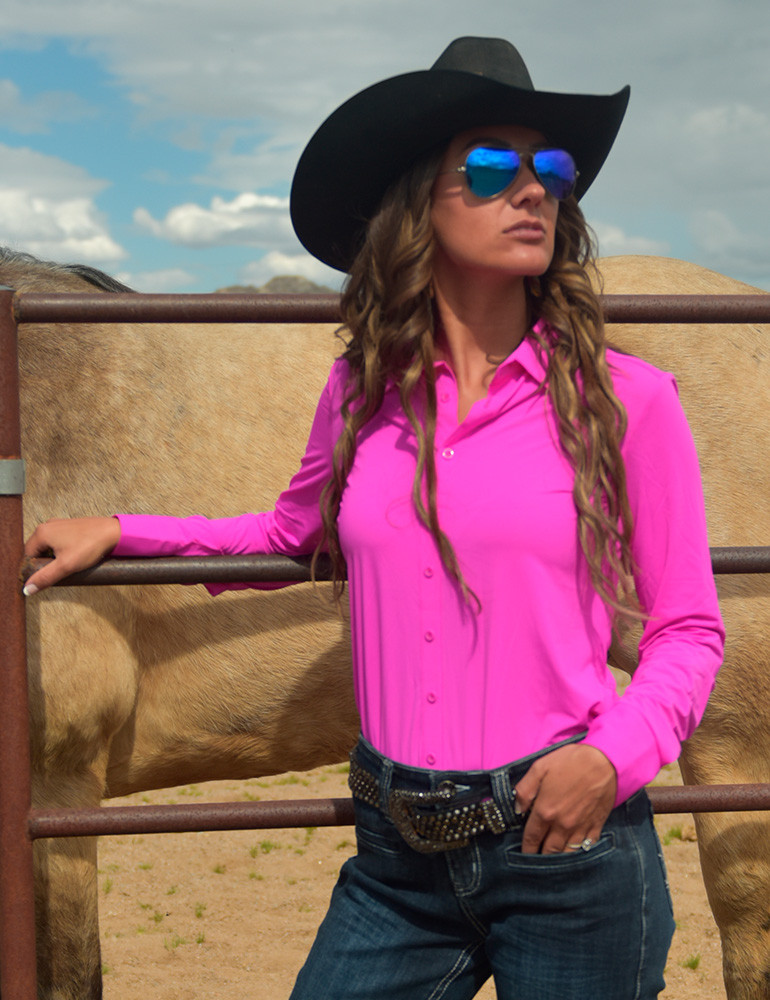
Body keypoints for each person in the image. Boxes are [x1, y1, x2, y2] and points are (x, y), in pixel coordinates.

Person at [24, 36, 724, 1000]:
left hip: (567, 849)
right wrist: (123, 533)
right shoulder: (364, 394)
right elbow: (287, 537)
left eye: (551, 170)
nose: (534, 192)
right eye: (490, 167)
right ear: (414, 206)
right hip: (396, 861)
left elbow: (688, 630)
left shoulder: (627, 401)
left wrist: (610, 760)